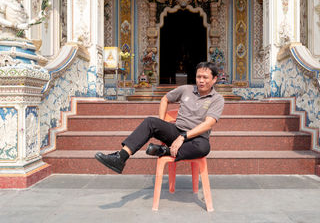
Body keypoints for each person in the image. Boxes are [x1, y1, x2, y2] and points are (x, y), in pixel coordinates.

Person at [95, 61, 225, 174]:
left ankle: (164, 151)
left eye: (205, 77)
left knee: (204, 148)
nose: (201, 80)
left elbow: (208, 124)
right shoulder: (186, 89)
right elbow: (165, 99)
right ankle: (121, 157)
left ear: (214, 79)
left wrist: (183, 136)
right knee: (151, 122)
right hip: (176, 131)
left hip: (196, 138)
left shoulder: (217, 99)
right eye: (198, 77)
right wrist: (163, 123)